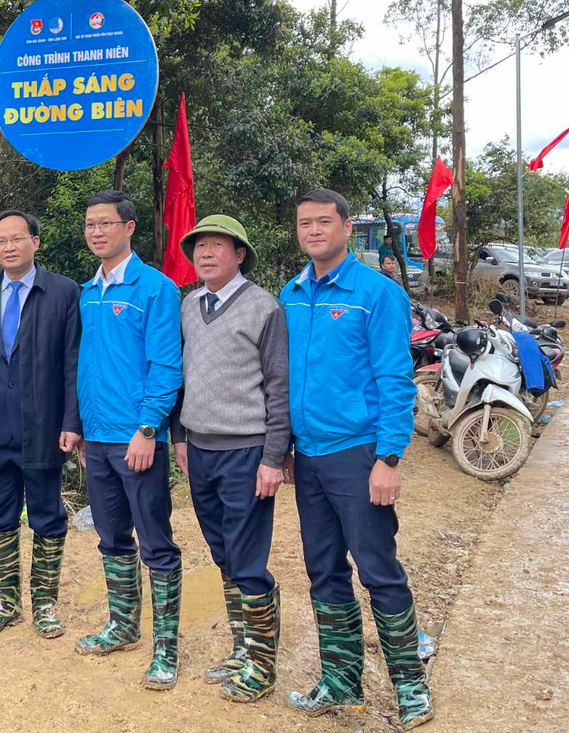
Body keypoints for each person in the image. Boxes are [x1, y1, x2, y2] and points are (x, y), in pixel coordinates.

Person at [280, 189, 433, 729]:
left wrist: (389, 456)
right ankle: (341, 682)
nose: (314, 231)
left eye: (324, 222)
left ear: (346, 228)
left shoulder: (377, 293)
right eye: (305, 223)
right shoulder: (292, 293)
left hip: (359, 453)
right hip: (309, 457)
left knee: (378, 568)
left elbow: (396, 379)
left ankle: (411, 684)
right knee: (323, 570)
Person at [171, 215, 289, 703]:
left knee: (247, 556)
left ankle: (262, 664)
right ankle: (242, 648)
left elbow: (279, 386)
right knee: (221, 551)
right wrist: (178, 434)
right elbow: (182, 376)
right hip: (199, 449)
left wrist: (273, 457)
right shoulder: (189, 304)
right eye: (199, 247)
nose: (205, 254)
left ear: (239, 254)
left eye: (217, 246)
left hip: (247, 451)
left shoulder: (264, 308)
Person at [73, 190, 183, 690]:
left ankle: (166, 647)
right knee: (111, 537)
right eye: (91, 225)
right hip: (96, 440)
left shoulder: (155, 289)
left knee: (155, 542)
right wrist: (78, 428)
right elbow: (82, 367)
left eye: (106, 224)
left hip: (138, 439)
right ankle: (121, 625)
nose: (97, 232)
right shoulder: (87, 291)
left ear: (129, 227)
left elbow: (166, 367)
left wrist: (147, 429)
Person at [0, 210, 82, 638]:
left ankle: (44, 604)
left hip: (43, 427)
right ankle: (6, 601)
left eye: (16, 239)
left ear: (35, 242)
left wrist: (71, 420)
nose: (8, 247)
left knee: (47, 515)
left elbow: (71, 363)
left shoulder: (64, 292)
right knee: (0, 516)